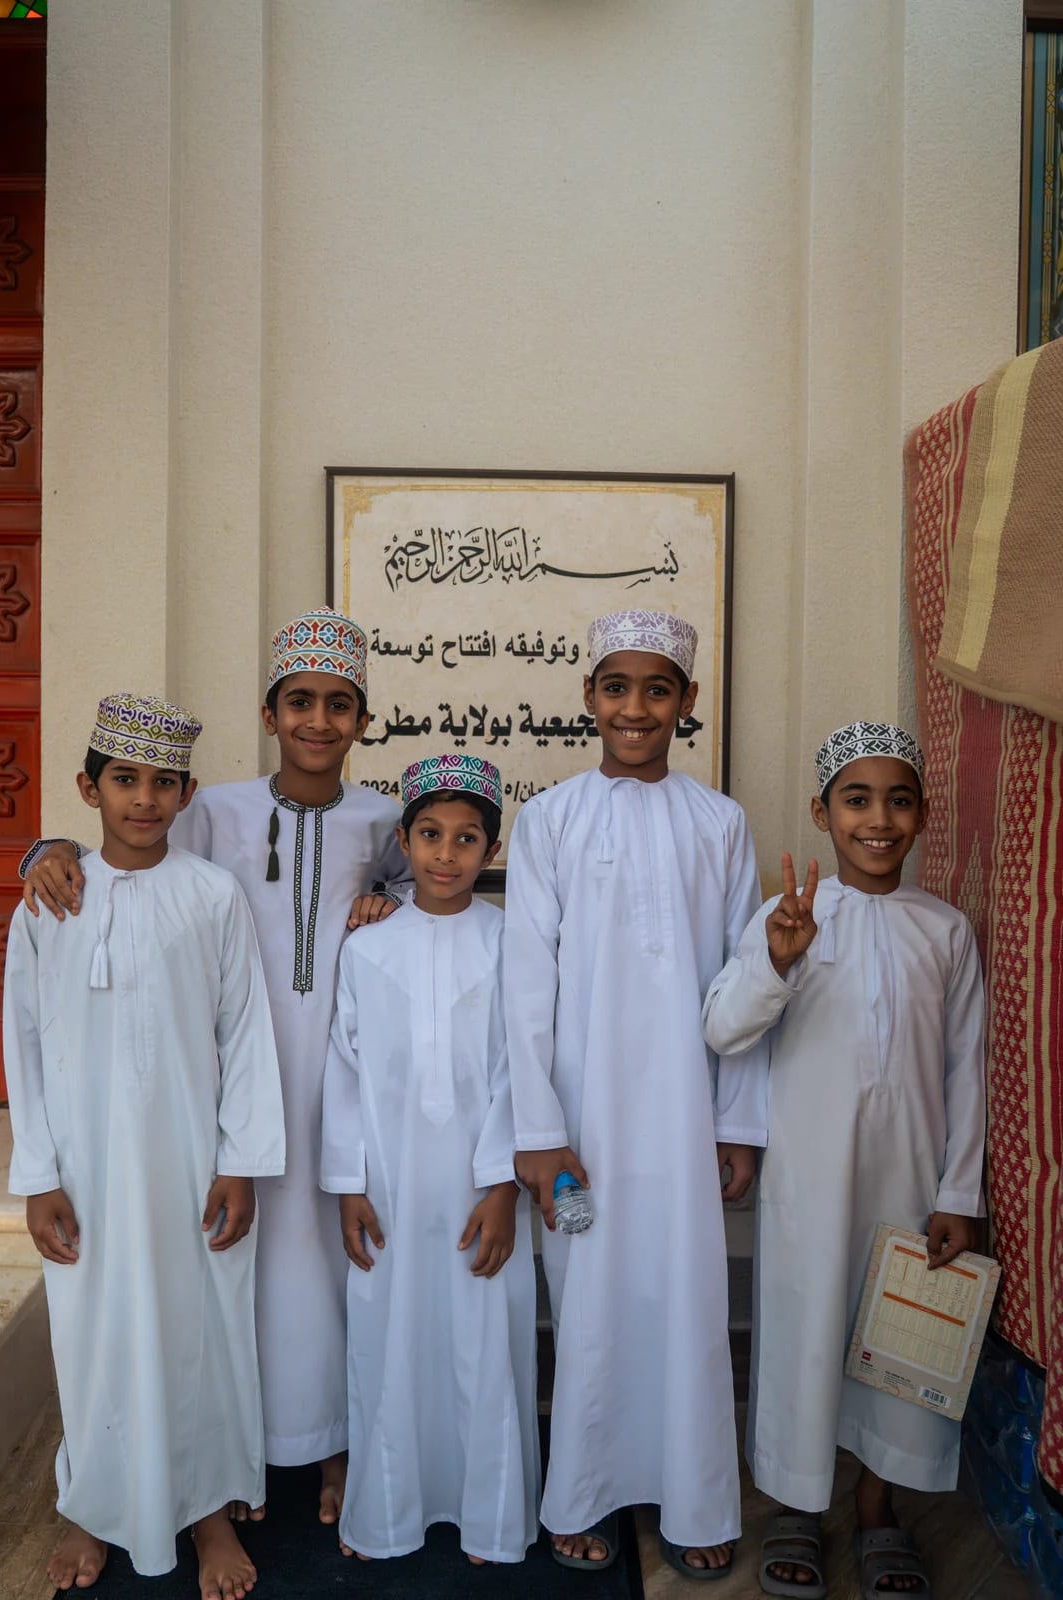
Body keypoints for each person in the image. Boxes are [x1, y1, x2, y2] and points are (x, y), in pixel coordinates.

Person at [17, 610, 411, 1528]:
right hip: (210, 1078)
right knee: (230, 1261)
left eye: (340, 705)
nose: (319, 720)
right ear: (270, 712)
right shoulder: (211, 805)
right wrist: (43, 851)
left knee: (329, 1258)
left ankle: (334, 1444)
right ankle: (229, 1450)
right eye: (301, 702)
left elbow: (410, 884)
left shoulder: (384, 816)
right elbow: (125, 868)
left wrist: (384, 905)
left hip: (336, 1070)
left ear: (361, 719)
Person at [504, 608, 768, 1582]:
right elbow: (526, 982)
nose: (635, 706)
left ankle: (697, 1500)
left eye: (657, 688)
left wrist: (737, 1120)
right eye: (616, 686)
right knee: (588, 1299)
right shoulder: (552, 820)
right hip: (577, 1134)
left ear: (687, 703)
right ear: (588, 697)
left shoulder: (721, 822)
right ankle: (581, 1492)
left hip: (686, 1119)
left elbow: (744, 986)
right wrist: (538, 1132)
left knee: (689, 1301)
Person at [2, 692, 285, 1600]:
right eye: (124, 779)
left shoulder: (211, 895)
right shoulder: (48, 902)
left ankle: (205, 1510)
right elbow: (26, 1045)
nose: (144, 799)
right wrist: (39, 1175)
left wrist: (240, 1160)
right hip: (85, 1170)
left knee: (196, 1327)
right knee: (91, 1333)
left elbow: (244, 1034)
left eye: (164, 783)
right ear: (88, 787)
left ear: (188, 792)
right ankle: (92, 1502)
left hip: (188, 1165)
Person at [702, 721, 986, 1599]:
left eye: (899, 800)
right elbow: (723, 1028)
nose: (879, 819)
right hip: (808, 1181)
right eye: (857, 800)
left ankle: (876, 1507)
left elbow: (966, 1067)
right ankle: (794, 1503)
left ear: (924, 815)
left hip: (910, 1177)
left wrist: (958, 1190)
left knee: (901, 1340)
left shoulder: (945, 930)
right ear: (822, 811)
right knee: (804, 1332)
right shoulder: (788, 915)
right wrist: (778, 963)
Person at [321, 753, 540, 1564]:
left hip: (482, 1191)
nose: (446, 854)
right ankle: (385, 1514)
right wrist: (347, 1183)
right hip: (389, 1185)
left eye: (467, 838)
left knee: (485, 1337)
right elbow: (343, 1070)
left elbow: (524, 1068)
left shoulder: (512, 941)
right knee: (389, 1339)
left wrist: (500, 1187)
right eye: (430, 835)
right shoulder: (369, 945)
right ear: (405, 842)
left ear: (491, 849)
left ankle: (489, 1517)